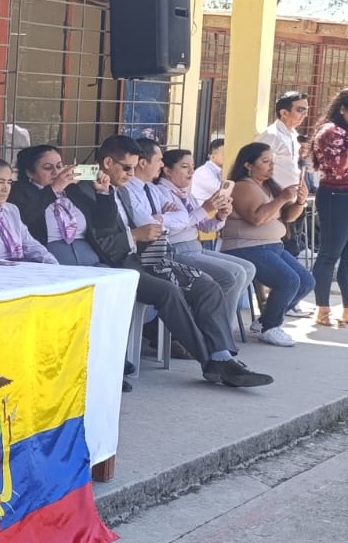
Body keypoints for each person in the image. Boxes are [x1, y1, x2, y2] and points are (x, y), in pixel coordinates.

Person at [84, 135, 270, 388]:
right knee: (171, 290)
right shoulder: (94, 190)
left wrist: (181, 217)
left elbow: (163, 223)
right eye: (127, 168)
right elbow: (133, 230)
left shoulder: (131, 189)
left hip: (150, 254)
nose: (131, 174)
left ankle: (222, 355)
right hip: (125, 261)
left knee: (207, 285)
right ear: (107, 163)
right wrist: (142, 230)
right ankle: (211, 362)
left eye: (134, 167)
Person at [147, 147, 254, 339]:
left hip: (195, 246)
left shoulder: (185, 194)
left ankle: (213, 325)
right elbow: (169, 228)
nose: (191, 172)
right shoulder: (159, 192)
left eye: (193, 166)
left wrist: (220, 215)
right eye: (184, 167)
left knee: (248, 268)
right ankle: (217, 332)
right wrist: (204, 209)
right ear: (167, 170)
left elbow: (205, 226)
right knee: (233, 275)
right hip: (175, 249)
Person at [222, 142, 313, 346]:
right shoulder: (243, 186)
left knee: (306, 281)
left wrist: (299, 201)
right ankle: (270, 327)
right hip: (246, 247)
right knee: (288, 281)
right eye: (265, 161)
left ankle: (265, 320)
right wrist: (282, 198)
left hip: (272, 246)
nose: (271, 166)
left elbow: (288, 217)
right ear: (248, 165)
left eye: (272, 161)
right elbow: (257, 218)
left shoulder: (269, 186)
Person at [9, 145, 109, 266]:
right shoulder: (20, 192)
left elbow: (104, 223)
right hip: (49, 264)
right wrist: (53, 189)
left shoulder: (71, 190)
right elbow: (25, 217)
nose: (56, 172)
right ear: (30, 173)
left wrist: (103, 193)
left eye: (59, 166)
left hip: (91, 260)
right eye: (48, 168)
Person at [310, 88, 348, 328]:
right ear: (343, 109)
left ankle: (346, 311)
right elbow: (339, 167)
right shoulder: (331, 131)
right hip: (336, 196)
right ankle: (322, 308)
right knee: (330, 254)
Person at [259, 91, 311, 259]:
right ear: (284, 112)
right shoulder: (271, 135)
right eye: (300, 109)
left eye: (306, 110)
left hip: (295, 201)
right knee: (278, 253)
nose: (304, 114)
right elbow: (257, 167)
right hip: (276, 202)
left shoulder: (294, 135)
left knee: (292, 252)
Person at [190, 137, 227, 207]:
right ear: (212, 157)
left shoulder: (221, 170)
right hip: (202, 210)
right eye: (224, 154)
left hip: (214, 209)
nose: (228, 156)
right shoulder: (203, 171)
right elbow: (224, 191)